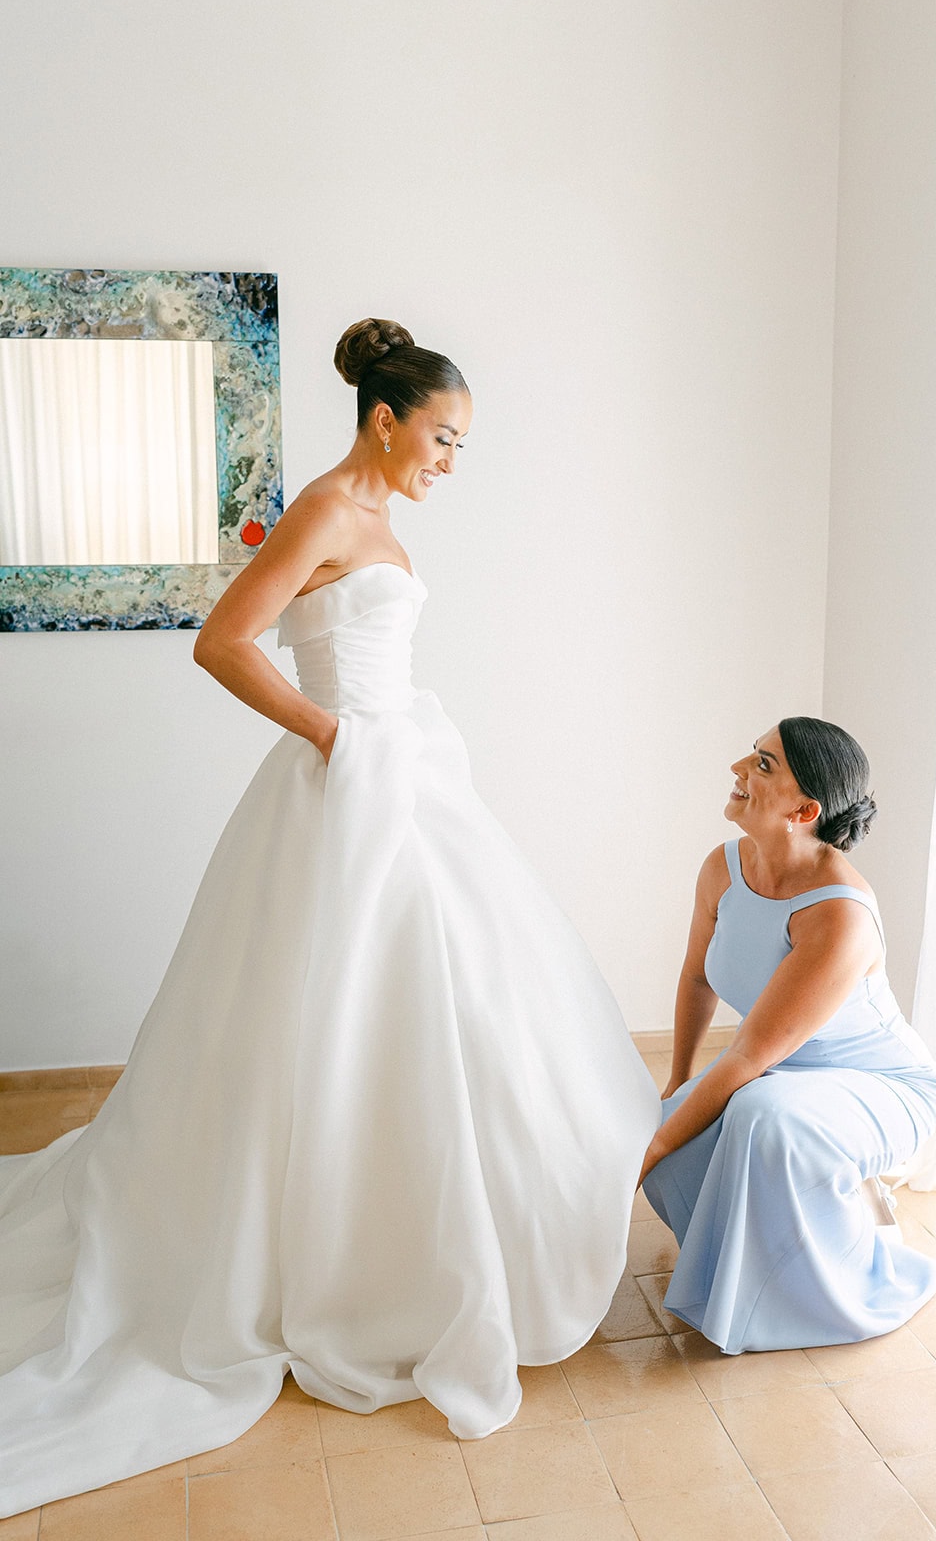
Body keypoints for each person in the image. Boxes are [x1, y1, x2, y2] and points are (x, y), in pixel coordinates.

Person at [0, 319, 659, 1518]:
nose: (448, 462)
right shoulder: (324, 509)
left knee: (451, 1001)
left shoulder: (383, 526)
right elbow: (221, 642)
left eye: (459, 445)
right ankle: (346, 1256)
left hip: (411, 781)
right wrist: (338, 740)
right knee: (343, 1013)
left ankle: (449, 1238)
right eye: (442, 438)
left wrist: (380, 743)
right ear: (384, 418)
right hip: (352, 785)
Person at [641, 717, 936, 1353]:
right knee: (676, 1157)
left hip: (881, 1085)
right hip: (782, 1074)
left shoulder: (839, 912)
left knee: (752, 1115)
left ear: (805, 809)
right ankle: (747, 1270)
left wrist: (646, 1145)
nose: (739, 768)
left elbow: (750, 1055)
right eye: (754, 753)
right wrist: (675, 1085)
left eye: (764, 765)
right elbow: (697, 978)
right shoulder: (722, 869)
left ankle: (830, 1290)